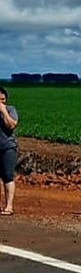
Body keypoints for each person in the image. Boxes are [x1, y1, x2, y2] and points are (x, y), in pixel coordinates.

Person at [0, 86, 18, 216]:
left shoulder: (11, 110)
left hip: (7, 147)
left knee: (8, 176)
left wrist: (3, 112)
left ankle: (9, 206)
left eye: (3, 98)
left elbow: (11, 125)